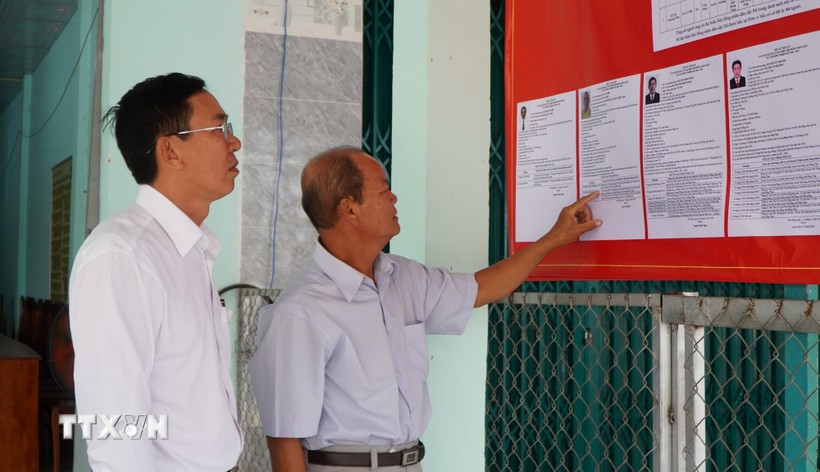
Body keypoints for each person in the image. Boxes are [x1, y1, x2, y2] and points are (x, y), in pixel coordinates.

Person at [249, 146, 601, 471]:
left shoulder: (402, 277)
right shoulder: (300, 312)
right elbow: (284, 440)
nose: (394, 197)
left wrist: (553, 239)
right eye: (383, 189)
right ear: (349, 208)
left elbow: (480, 288)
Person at [69, 73, 243, 471]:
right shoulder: (123, 255)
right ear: (170, 151)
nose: (234, 142)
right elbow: (115, 427)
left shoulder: (188, 249)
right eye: (220, 128)